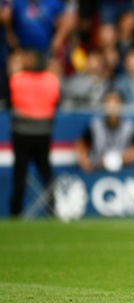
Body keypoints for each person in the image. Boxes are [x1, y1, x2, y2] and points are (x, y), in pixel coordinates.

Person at [9, 49, 60, 217]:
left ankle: (16, 211)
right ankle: (52, 208)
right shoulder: (52, 81)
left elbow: (12, 101)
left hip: (22, 134)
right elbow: (55, 102)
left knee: (20, 174)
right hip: (43, 134)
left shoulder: (17, 79)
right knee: (46, 172)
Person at [75, 92, 134, 172]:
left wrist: (120, 158)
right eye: (109, 102)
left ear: (121, 105)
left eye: (116, 102)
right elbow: (80, 144)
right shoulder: (95, 125)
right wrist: (84, 161)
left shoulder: (129, 127)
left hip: (122, 170)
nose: (112, 106)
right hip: (97, 169)